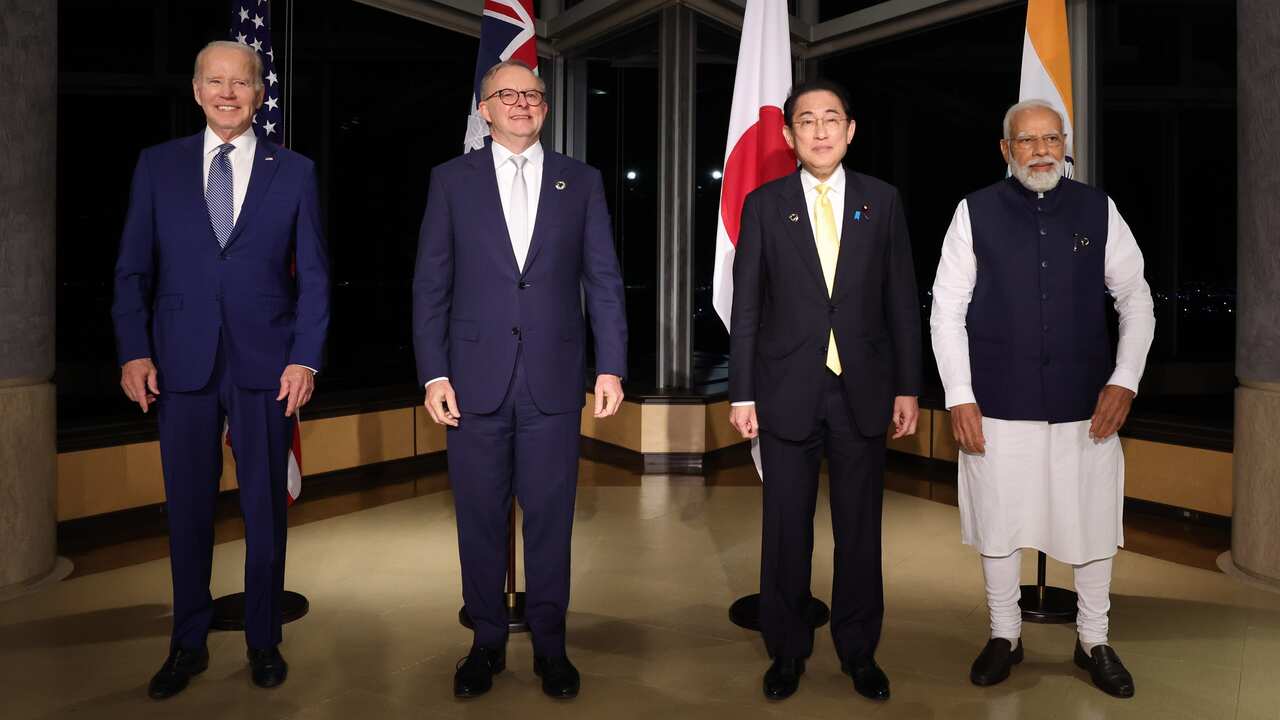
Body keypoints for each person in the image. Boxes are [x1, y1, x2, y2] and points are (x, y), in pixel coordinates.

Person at [112, 40, 329, 699]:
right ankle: (187, 643)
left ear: (260, 94)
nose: (228, 93)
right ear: (199, 90)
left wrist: (305, 356)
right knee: (187, 511)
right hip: (179, 363)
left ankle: (265, 641)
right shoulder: (158, 167)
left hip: (268, 364)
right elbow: (132, 271)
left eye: (242, 83)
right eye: (216, 81)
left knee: (265, 509)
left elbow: (315, 278)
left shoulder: (294, 171)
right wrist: (133, 349)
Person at [413, 59, 627, 700]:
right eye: (506, 94)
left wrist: (611, 364)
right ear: (484, 108)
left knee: (551, 520)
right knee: (478, 518)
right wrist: (434, 374)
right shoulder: (450, 181)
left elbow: (604, 281)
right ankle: (484, 643)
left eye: (532, 94)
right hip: (472, 383)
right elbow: (430, 285)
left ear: (545, 106)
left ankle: (552, 648)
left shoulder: (580, 182)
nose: (521, 103)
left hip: (555, 383)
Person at [929, 98, 1155, 698]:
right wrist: (959, 395)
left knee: (1093, 523)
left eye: (1051, 139)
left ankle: (1094, 641)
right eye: (1026, 141)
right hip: (996, 404)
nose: (1041, 151)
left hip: (1088, 405)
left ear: (1066, 144)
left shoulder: (1098, 208)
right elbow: (946, 310)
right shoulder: (972, 212)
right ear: (1007, 151)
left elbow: (1136, 299)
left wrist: (1125, 379)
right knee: (999, 525)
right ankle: (1005, 635)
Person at [728, 78, 922, 702]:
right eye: (805, 121)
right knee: (786, 528)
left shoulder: (882, 201)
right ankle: (786, 651)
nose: (818, 130)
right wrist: (742, 394)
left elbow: (900, 301)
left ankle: (860, 651)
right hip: (786, 392)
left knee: (860, 530)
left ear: (850, 130)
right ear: (788, 135)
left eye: (831, 118)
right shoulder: (764, 205)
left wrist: (908, 387)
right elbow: (749, 310)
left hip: (863, 392)